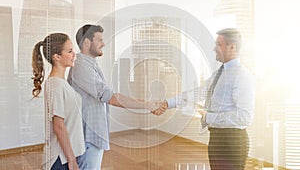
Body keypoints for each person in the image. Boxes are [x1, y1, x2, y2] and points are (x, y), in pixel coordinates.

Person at [67, 24, 164, 169]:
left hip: (92, 137)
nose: (103, 44)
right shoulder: (82, 66)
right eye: (99, 40)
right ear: (87, 42)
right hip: (87, 138)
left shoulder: (89, 64)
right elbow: (111, 97)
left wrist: (147, 103)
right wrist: (146, 105)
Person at [164, 28, 255, 170]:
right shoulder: (218, 74)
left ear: (232, 47)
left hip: (232, 142)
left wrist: (209, 117)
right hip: (217, 137)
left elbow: (245, 117)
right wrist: (167, 103)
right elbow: (198, 93)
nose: (214, 48)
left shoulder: (242, 76)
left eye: (219, 44)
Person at [32, 33, 85, 170]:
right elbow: (58, 126)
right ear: (57, 57)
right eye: (69, 51)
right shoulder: (55, 85)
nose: (74, 54)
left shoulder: (62, 83)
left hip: (68, 155)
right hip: (61, 159)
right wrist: (71, 160)